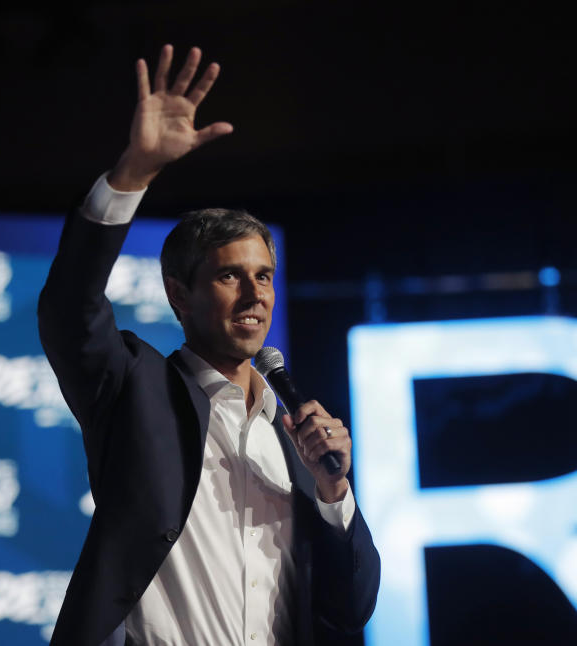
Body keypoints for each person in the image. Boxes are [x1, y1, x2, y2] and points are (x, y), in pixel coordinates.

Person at [39, 44, 380, 646]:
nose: (255, 293)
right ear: (180, 295)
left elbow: (349, 607)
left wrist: (334, 493)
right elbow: (71, 309)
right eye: (229, 276)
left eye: (264, 276)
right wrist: (132, 175)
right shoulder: (134, 388)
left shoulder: (294, 436)